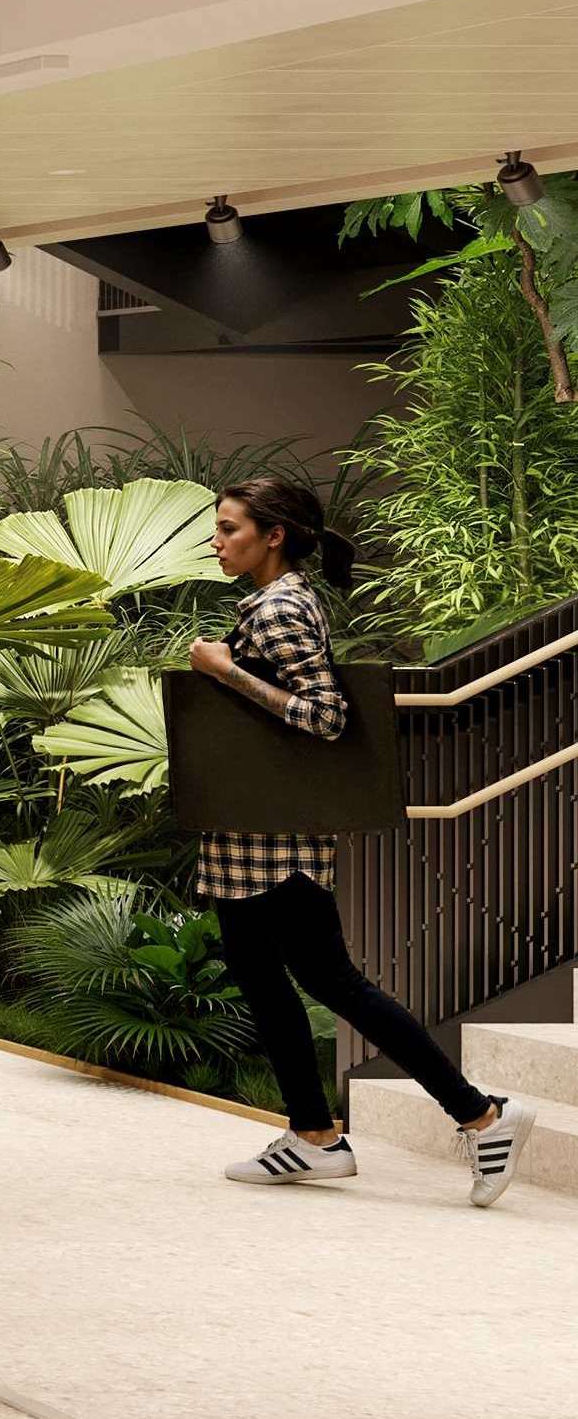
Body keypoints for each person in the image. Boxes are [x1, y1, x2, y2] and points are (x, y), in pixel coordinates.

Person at [188, 478, 534, 1201]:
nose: (216, 541)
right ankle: (314, 1134)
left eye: (229, 528)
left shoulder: (281, 607)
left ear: (273, 534)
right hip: (251, 831)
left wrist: (223, 670)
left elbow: (324, 716)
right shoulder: (273, 600)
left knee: (331, 979)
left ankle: (481, 1115)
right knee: (264, 976)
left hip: (275, 841)